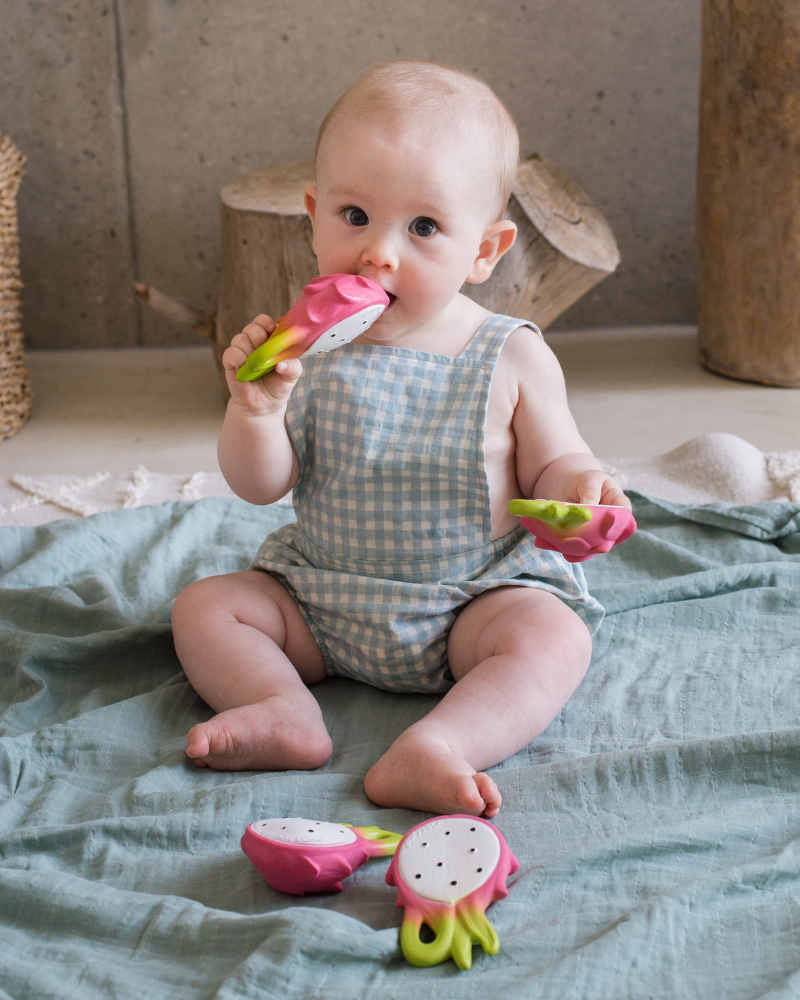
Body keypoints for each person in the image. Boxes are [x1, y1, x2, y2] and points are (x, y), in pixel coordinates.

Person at [171, 61, 630, 818]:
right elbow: (261, 485)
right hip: (319, 598)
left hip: (467, 604)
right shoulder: (302, 347)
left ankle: (440, 744)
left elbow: (554, 461)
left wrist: (579, 490)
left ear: (485, 250)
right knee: (205, 607)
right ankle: (281, 707)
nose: (380, 253)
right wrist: (253, 412)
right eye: (355, 216)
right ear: (313, 215)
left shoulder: (508, 352)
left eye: (423, 227)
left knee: (552, 637)